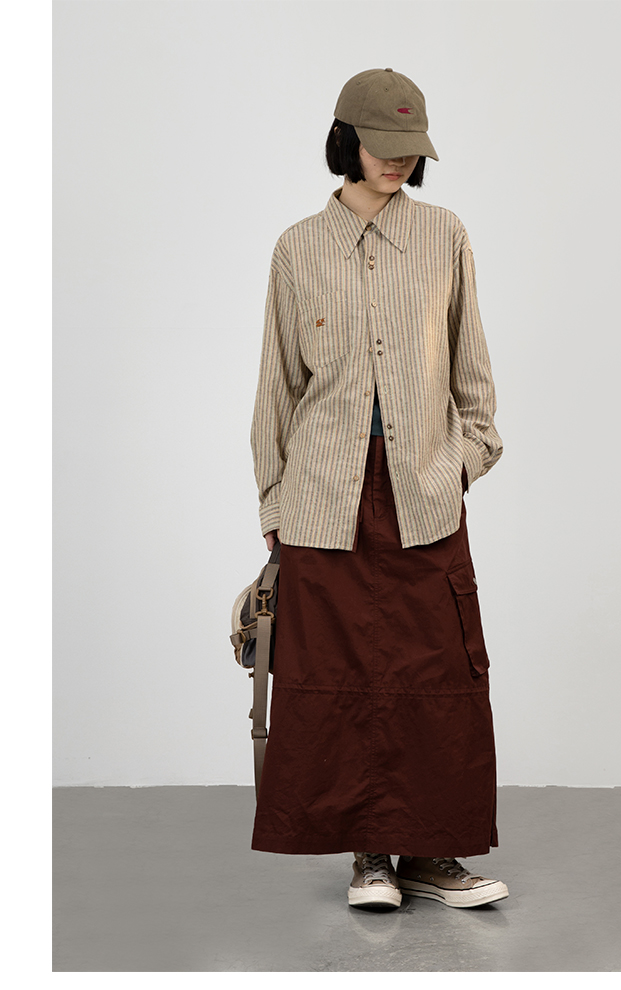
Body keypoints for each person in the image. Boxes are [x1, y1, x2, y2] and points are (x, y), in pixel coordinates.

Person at [250, 67, 509, 911]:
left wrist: (459, 464)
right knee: (339, 676)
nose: (398, 161)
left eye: (410, 148)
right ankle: (369, 857)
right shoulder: (297, 248)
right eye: (382, 145)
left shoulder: (445, 236)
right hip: (323, 498)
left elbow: (473, 379)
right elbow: (277, 390)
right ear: (345, 141)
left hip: (422, 491)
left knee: (440, 673)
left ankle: (432, 854)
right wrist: (275, 505)